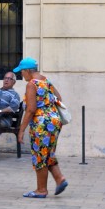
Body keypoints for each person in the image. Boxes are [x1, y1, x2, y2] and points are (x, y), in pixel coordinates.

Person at [14, 57, 68, 199]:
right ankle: (59, 179)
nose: (21, 75)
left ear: (27, 71)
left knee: (40, 155)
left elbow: (31, 109)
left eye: (21, 72)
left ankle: (41, 190)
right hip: (54, 121)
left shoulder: (32, 84)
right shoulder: (46, 81)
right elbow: (59, 98)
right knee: (48, 153)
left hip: (41, 123)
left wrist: (21, 129)